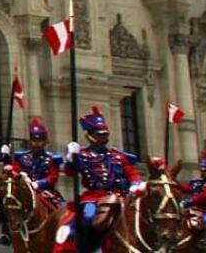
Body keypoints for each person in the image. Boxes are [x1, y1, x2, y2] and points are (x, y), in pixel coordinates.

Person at [57, 107, 142, 253]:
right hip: (94, 197)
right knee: (88, 217)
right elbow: (70, 172)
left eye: (105, 134)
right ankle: (87, 249)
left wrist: (136, 184)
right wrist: (72, 158)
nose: (103, 138)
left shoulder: (117, 156)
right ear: (89, 135)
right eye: (99, 134)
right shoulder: (82, 154)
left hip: (118, 196)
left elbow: (132, 173)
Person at [2, 117, 64, 207]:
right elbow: (15, 171)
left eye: (40, 141)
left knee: (63, 210)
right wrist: (6, 159)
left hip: (44, 191)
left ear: (45, 142)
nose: (36, 143)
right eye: (34, 140)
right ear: (30, 141)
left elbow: (52, 177)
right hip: (23, 190)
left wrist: (38, 184)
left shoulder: (52, 158)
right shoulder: (21, 156)